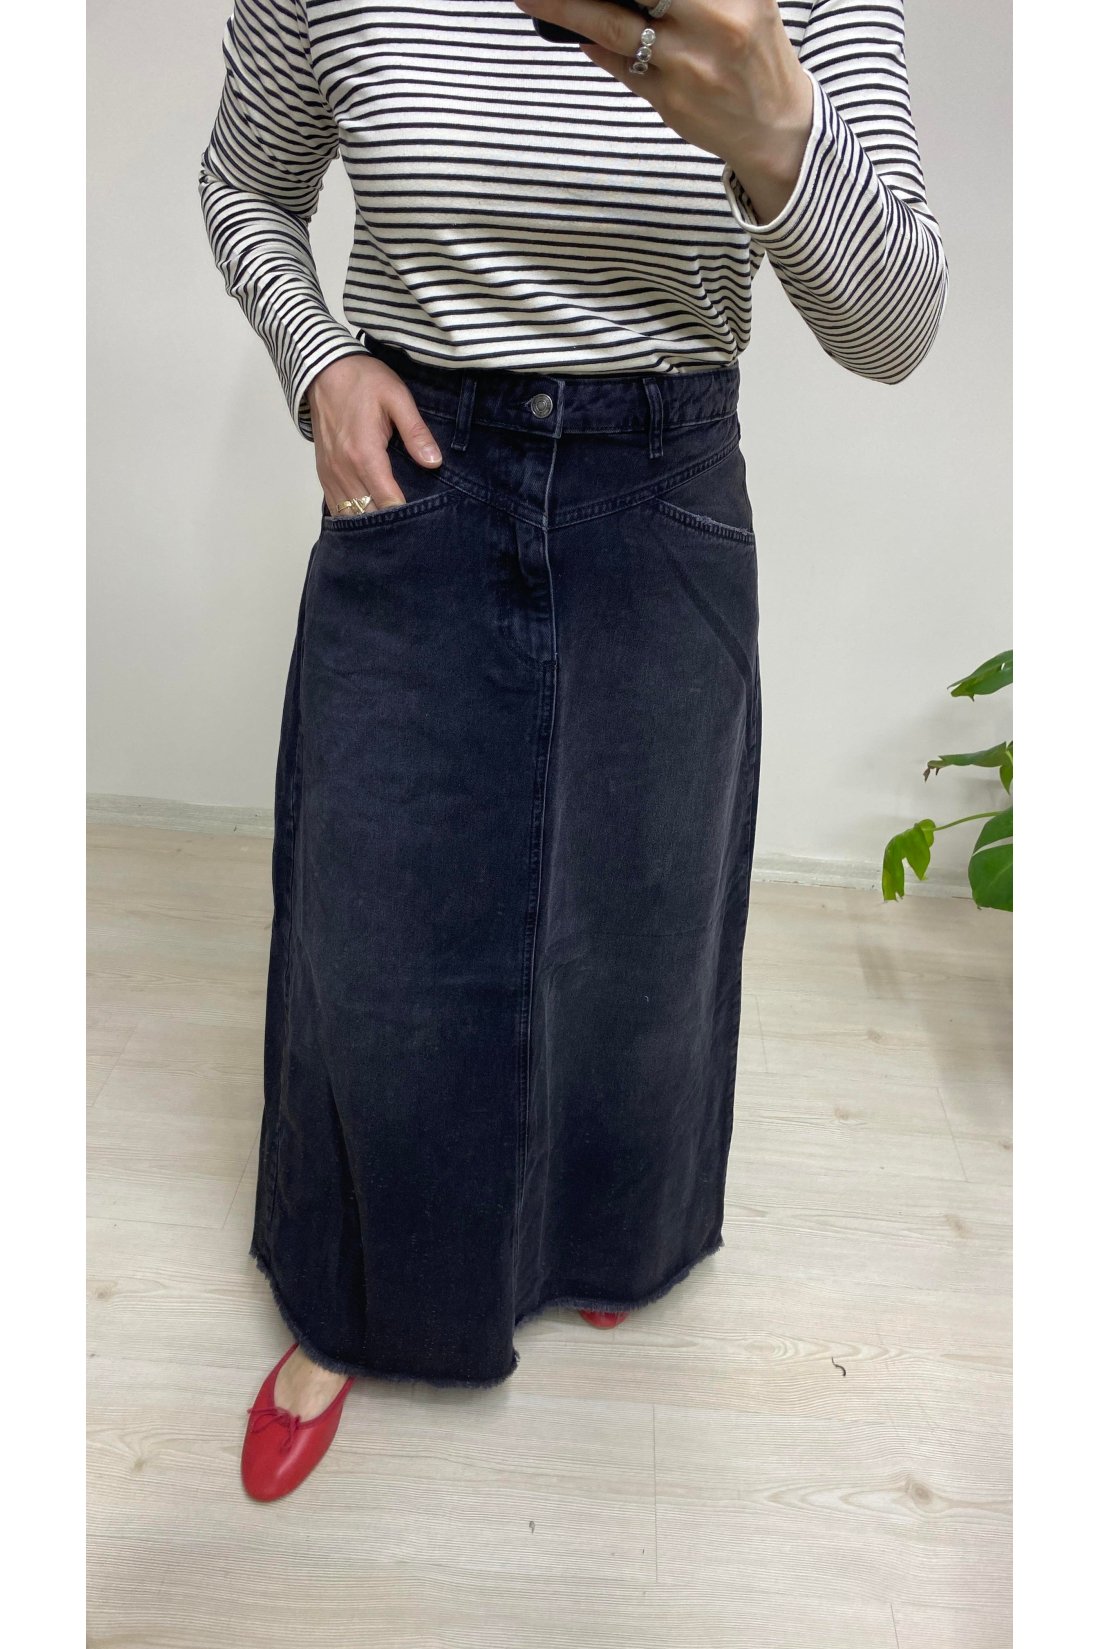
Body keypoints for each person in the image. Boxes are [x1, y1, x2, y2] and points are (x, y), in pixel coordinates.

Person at [198, 0, 947, 1503]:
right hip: (418, 470)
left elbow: (894, 327)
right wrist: (320, 363)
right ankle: (357, 1303)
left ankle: (605, 1235)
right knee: (376, 943)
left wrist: (775, 133)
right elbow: (246, 184)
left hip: (660, 486)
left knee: (641, 931)